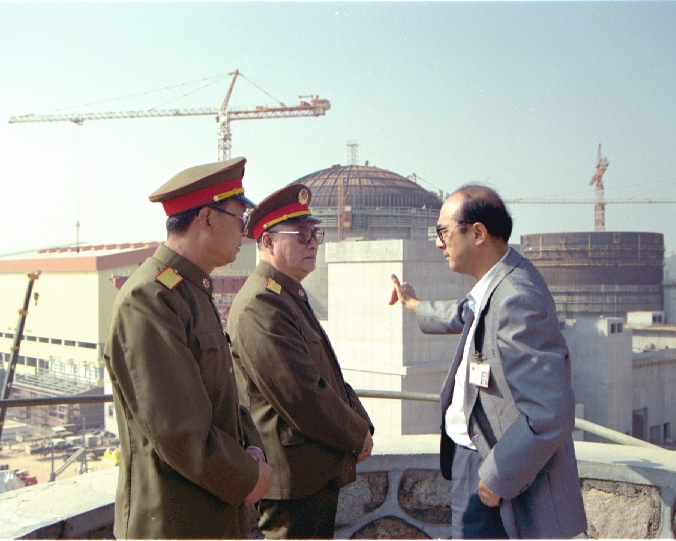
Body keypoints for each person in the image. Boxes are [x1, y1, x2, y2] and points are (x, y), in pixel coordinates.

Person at [390, 185, 586, 539]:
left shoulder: (516, 298)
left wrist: (498, 476)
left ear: (477, 233)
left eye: (443, 232)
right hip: (478, 457)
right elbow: (463, 314)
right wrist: (414, 305)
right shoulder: (497, 283)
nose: (438, 243)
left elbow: (551, 411)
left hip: (495, 466)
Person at [104, 157, 272, 539]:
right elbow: (178, 429)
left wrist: (254, 450)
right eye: (240, 217)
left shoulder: (190, 290)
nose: (244, 230)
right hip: (173, 521)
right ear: (207, 219)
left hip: (208, 512)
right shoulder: (150, 298)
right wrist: (246, 476)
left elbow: (224, 396)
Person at [227, 184, 374, 539]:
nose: (313, 243)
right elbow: (301, 394)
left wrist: (363, 425)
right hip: (293, 479)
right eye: (302, 235)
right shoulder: (261, 304)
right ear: (267, 242)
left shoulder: (286, 294)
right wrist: (355, 434)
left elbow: (328, 374)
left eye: (315, 234)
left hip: (311, 470)